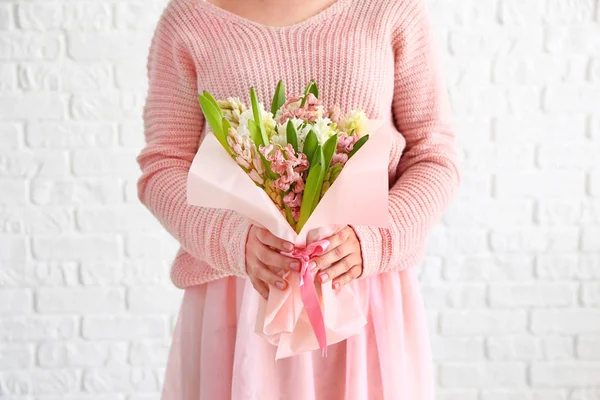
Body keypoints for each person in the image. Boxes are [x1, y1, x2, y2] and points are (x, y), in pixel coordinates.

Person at [136, 0, 461, 398]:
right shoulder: (190, 18)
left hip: (361, 292)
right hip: (240, 297)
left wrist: (374, 238)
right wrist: (232, 240)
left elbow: (435, 155)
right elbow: (164, 165)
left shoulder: (391, 9)